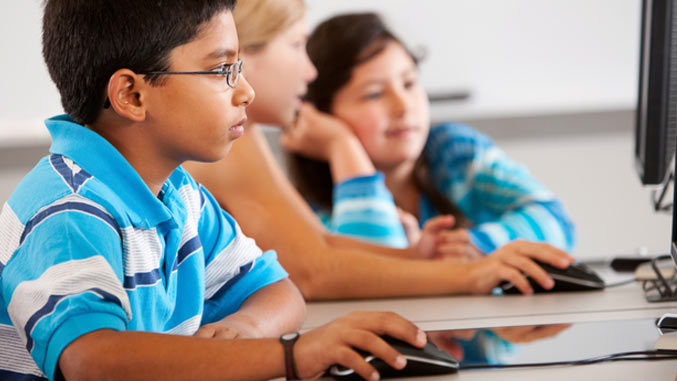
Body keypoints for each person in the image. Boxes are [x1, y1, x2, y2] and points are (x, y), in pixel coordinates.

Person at [0, 2, 429, 380]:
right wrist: (291, 356)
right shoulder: (69, 211)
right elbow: (94, 363)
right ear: (131, 94)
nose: (246, 91)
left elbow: (278, 291)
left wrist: (248, 330)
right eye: (223, 70)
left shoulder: (179, 194)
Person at [185, 0, 575, 301]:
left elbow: (319, 242)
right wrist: (471, 275)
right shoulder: (225, 142)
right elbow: (313, 272)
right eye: (296, 46)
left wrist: (412, 258)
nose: (310, 71)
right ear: (240, 53)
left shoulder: (242, 137)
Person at [283, 12, 576, 261]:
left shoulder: (454, 151)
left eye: (409, 83)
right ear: (319, 115)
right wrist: (341, 145)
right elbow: (371, 280)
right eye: (374, 94)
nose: (403, 105)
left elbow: (556, 222)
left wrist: (475, 245)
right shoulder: (307, 208)